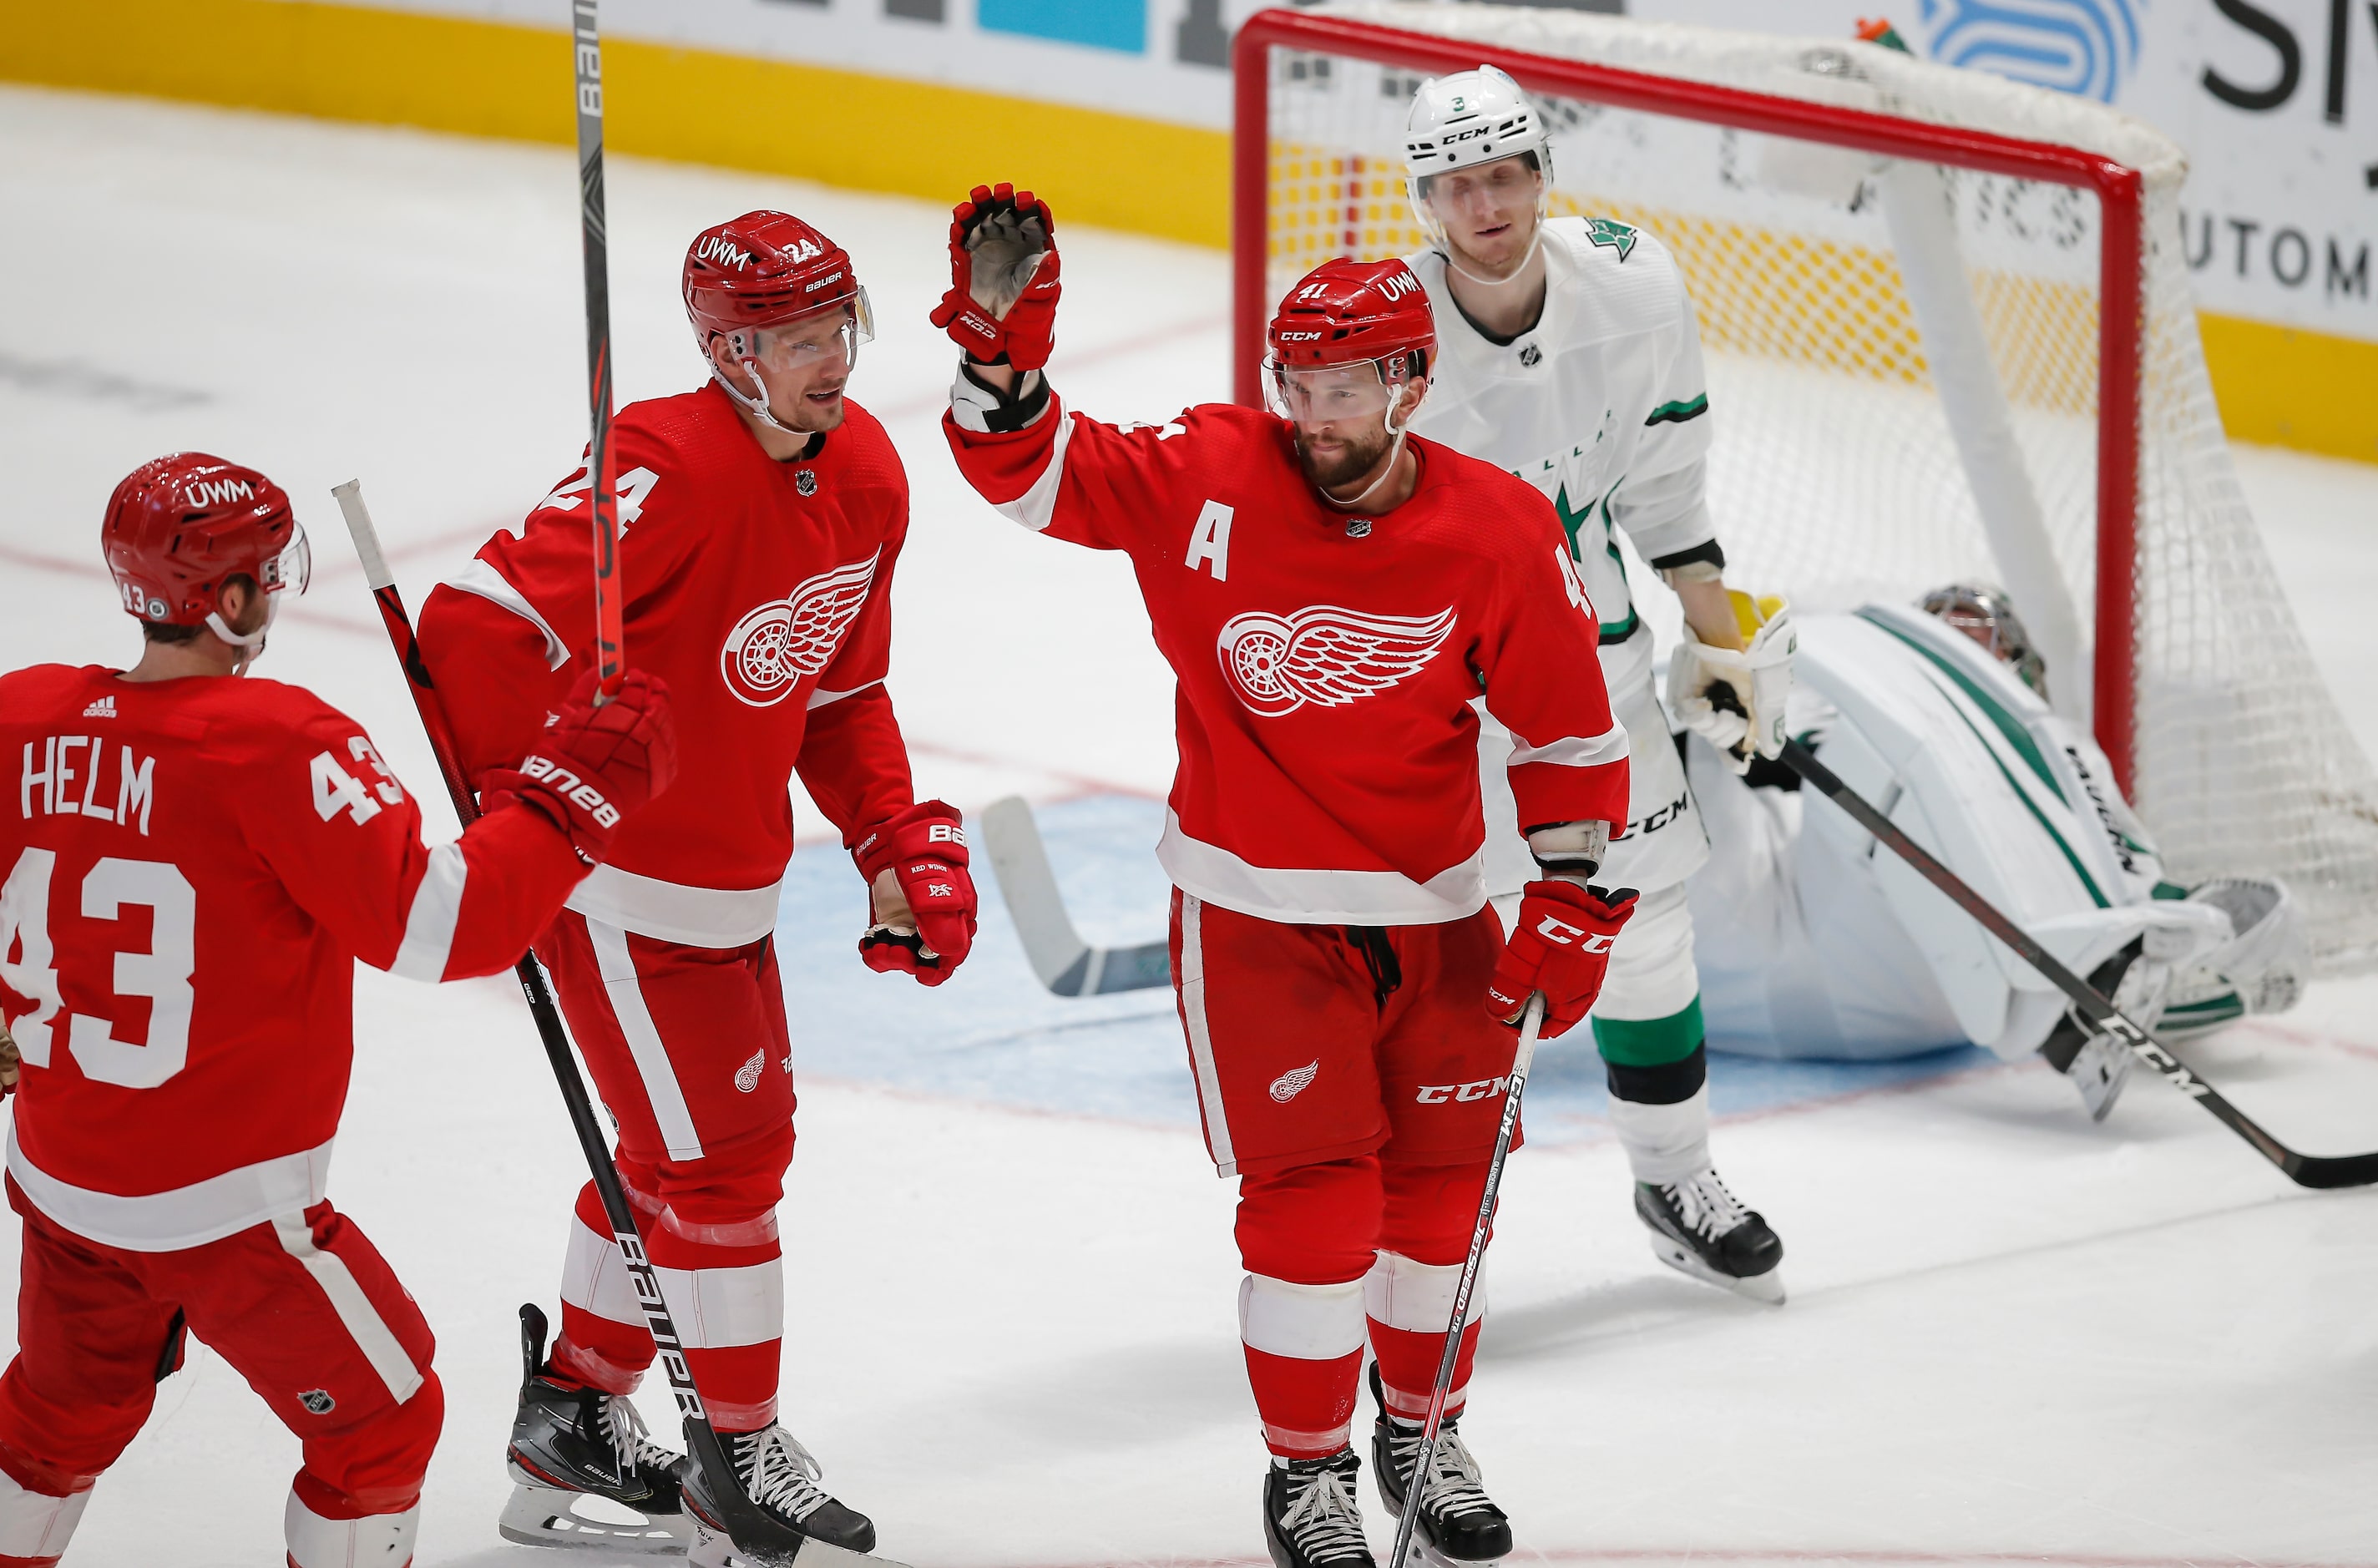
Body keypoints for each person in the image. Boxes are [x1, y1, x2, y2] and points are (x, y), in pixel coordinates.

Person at [937, 184, 1633, 1568]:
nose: (1313, 415)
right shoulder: (1206, 471)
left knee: (1437, 1205)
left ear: (1409, 380)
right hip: (1254, 918)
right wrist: (1000, 370)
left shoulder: (1497, 528)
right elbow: (1032, 477)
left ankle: (1421, 1432)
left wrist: (1569, 895)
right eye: (1294, 382)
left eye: (1342, 386)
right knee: (1313, 1204)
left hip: (1435, 917)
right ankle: (1306, 1471)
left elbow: (1565, 734)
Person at [414, 210, 971, 1565]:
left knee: (694, 1151)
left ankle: (574, 1414)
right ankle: (740, 1455)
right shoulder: (660, 462)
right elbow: (471, 629)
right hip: (618, 885)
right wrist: (537, 804)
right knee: (721, 1168)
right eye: (791, 337)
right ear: (727, 350)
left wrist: (890, 837)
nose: (828, 357)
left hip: (731, 881)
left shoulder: (869, 475)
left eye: (838, 327)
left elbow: (839, 688)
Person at [0, 453, 675, 1568]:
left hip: (66, 1187)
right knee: (381, 1420)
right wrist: (565, 804)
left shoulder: (22, 715)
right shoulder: (279, 744)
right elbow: (444, 928)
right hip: (230, 1215)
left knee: (58, 1410)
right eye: (269, 570)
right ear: (228, 600)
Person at [1399, 67, 1792, 1303]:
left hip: (1597, 668)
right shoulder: (1378, 335)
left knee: (1647, 933)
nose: (1486, 201)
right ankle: (1420, 1236)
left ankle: (1675, 1177)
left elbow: (1669, 496)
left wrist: (1722, 648)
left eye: (1506, 172)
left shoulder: (1633, 283)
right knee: (1446, 963)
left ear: (1542, 175)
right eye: (1458, 182)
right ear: (1427, 202)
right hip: (1438, 701)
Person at [1685, 585, 2300, 1112]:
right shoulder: (1855, 721)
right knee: (1675, 740)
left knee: (1687, 747)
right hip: (1841, 964)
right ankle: (2098, 967)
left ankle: (2112, 950)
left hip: (1797, 965)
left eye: (1986, 653)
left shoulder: (2050, 766)